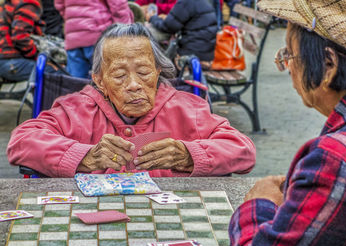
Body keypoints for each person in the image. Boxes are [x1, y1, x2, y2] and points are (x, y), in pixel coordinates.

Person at [229, 0, 346, 246]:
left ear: (328, 65)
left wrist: (257, 204)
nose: (287, 67)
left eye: (289, 54)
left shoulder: (337, 160)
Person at [7, 23, 256, 178]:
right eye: (119, 75)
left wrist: (188, 155)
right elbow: (21, 141)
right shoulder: (75, 110)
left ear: (158, 72)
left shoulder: (187, 109)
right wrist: (85, 156)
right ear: (99, 81)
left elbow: (243, 150)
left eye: (144, 72)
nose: (134, 84)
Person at [54, 0, 133, 79]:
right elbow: (118, 5)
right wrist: (125, 30)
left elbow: (59, 4)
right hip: (99, 34)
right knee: (108, 80)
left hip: (73, 37)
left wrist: (73, 20)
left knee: (76, 83)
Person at [0, 0, 58, 82]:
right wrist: (37, 57)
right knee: (58, 72)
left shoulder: (10, 3)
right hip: (12, 62)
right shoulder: (28, 4)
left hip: (5, 61)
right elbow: (20, 37)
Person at [147, 0, 218, 62]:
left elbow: (168, 27)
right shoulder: (205, 2)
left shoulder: (186, 2)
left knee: (148, 33)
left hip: (190, 54)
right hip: (207, 54)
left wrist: (152, 18)